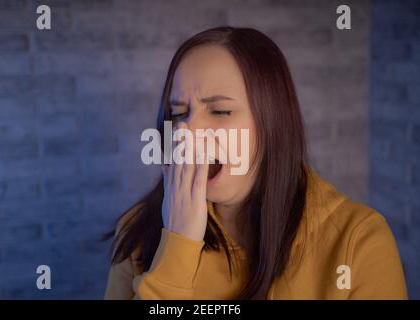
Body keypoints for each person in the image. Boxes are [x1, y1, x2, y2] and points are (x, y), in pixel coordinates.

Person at [104, 26, 408, 300]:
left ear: (273, 125)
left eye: (220, 111)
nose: (186, 131)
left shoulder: (359, 241)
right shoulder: (137, 232)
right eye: (178, 112)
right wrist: (177, 248)